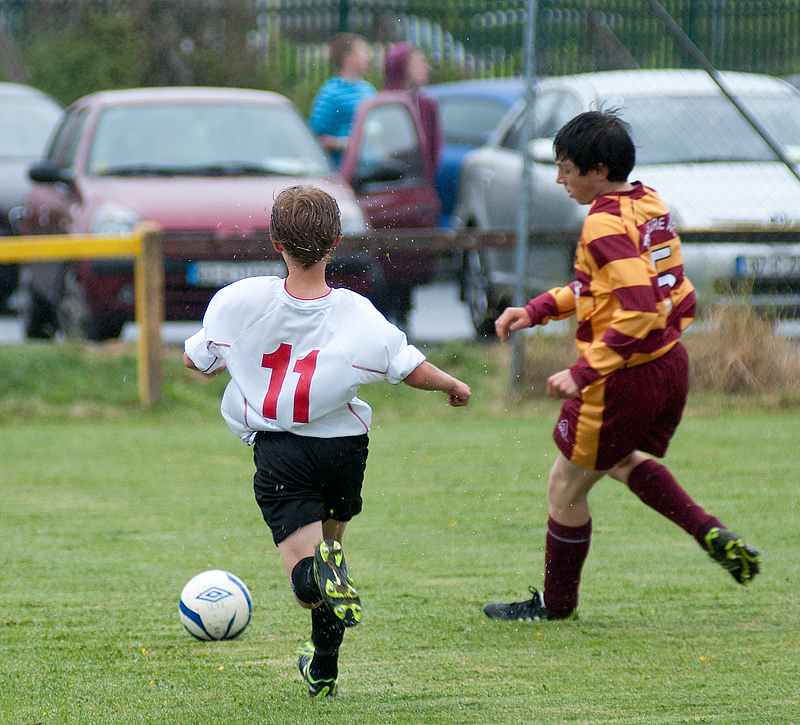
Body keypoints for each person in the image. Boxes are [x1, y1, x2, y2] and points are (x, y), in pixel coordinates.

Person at [183, 185, 471, 696]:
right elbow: (407, 367)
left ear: (275, 242)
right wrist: (452, 384)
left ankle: (318, 581)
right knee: (331, 551)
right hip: (344, 449)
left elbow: (198, 360)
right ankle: (323, 667)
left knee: (308, 579)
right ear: (337, 241)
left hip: (283, 452)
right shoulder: (356, 313)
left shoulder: (240, 302)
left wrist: (222, 359)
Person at [483, 111, 760, 623]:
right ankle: (708, 531)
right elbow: (611, 288)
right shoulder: (648, 203)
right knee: (614, 461)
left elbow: (638, 308)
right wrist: (537, 310)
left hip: (621, 378)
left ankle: (556, 606)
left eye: (567, 169)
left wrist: (584, 372)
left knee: (565, 486)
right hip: (667, 363)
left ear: (598, 170)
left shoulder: (603, 223)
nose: (559, 179)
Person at [309, 33, 376, 165]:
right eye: (363, 52)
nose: (368, 57)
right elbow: (315, 137)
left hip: (370, 167)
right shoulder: (331, 93)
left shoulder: (369, 89)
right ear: (348, 58)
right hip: (344, 168)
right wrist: (346, 144)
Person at [383, 41, 444, 176]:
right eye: (421, 62)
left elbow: (434, 147)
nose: (427, 67)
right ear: (403, 66)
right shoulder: (385, 104)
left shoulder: (427, 104)